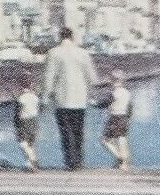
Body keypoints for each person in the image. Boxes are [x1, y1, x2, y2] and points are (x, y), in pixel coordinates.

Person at [40, 26, 97, 170]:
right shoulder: (83, 53)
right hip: (79, 99)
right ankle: (79, 161)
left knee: (65, 131)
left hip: (62, 99)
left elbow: (49, 77)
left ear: (60, 37)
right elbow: (93, 78)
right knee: (78, 130)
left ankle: (69, 161)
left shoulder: (53, 53)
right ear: (72, 37)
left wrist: (45, 96)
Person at [100, 71, 132, 170]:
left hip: (114, 117)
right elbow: (130, 107)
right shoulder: (127, 93)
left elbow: (105, 104)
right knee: (122, 138)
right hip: (124, 117)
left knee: (105, 140)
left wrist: (94, 103)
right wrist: (129, 118)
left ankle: (119, 157)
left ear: (113, 80)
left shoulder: (115, 93)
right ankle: (124, 164)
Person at [14, 85, 40, 170]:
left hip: (24, 121)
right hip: (34, 121)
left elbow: (18, 112)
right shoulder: (35, 97)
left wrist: (16, 123)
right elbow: (39, 109)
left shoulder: (21, 98)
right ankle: (30, 164)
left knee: (23, 142)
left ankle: (32, 159)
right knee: (31, 143)